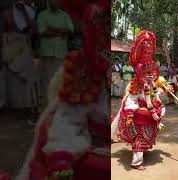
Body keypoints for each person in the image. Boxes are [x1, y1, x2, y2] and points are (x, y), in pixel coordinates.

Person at [15, 0, 111, 179]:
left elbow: (67, 31)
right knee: (51, 91)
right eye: (101, 22)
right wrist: (61, 158)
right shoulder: (81, 71)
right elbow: (67, 121)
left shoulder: (65, 18)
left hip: (60, 51)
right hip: (50, 55)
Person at [111, 31, 174, 171]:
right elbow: (132, 100)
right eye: (147, 73)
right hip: (140, 115)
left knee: (147, 135)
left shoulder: (153, 83)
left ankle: (141, 153)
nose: (151, 75)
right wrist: (129, 113)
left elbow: (156, 94)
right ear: (141, 72)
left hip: (151, 114)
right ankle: (136, 162)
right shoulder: (136, 85)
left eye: (153, 72)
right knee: (140, 138)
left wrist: (166, 90)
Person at [0, 2, 38, 114]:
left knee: (26, 78)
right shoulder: (4, 12)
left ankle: (27, 105)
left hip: (24, 46)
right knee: (11, 77)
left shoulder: (27, 10)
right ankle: (10, 105)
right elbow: (2, 32)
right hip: (9, 46)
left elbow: (34, 29)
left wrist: (24, 11)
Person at [37, 0, 74, 108]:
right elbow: (42, 31)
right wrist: (61, 31)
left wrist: (51, 28)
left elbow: (71, 30)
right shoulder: (42, 15)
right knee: (47, 84)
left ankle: (58, 110)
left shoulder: (65, 15)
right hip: (47, 54)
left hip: (61, 54)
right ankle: (45, 110)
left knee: (60, 84)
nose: (56, 3)